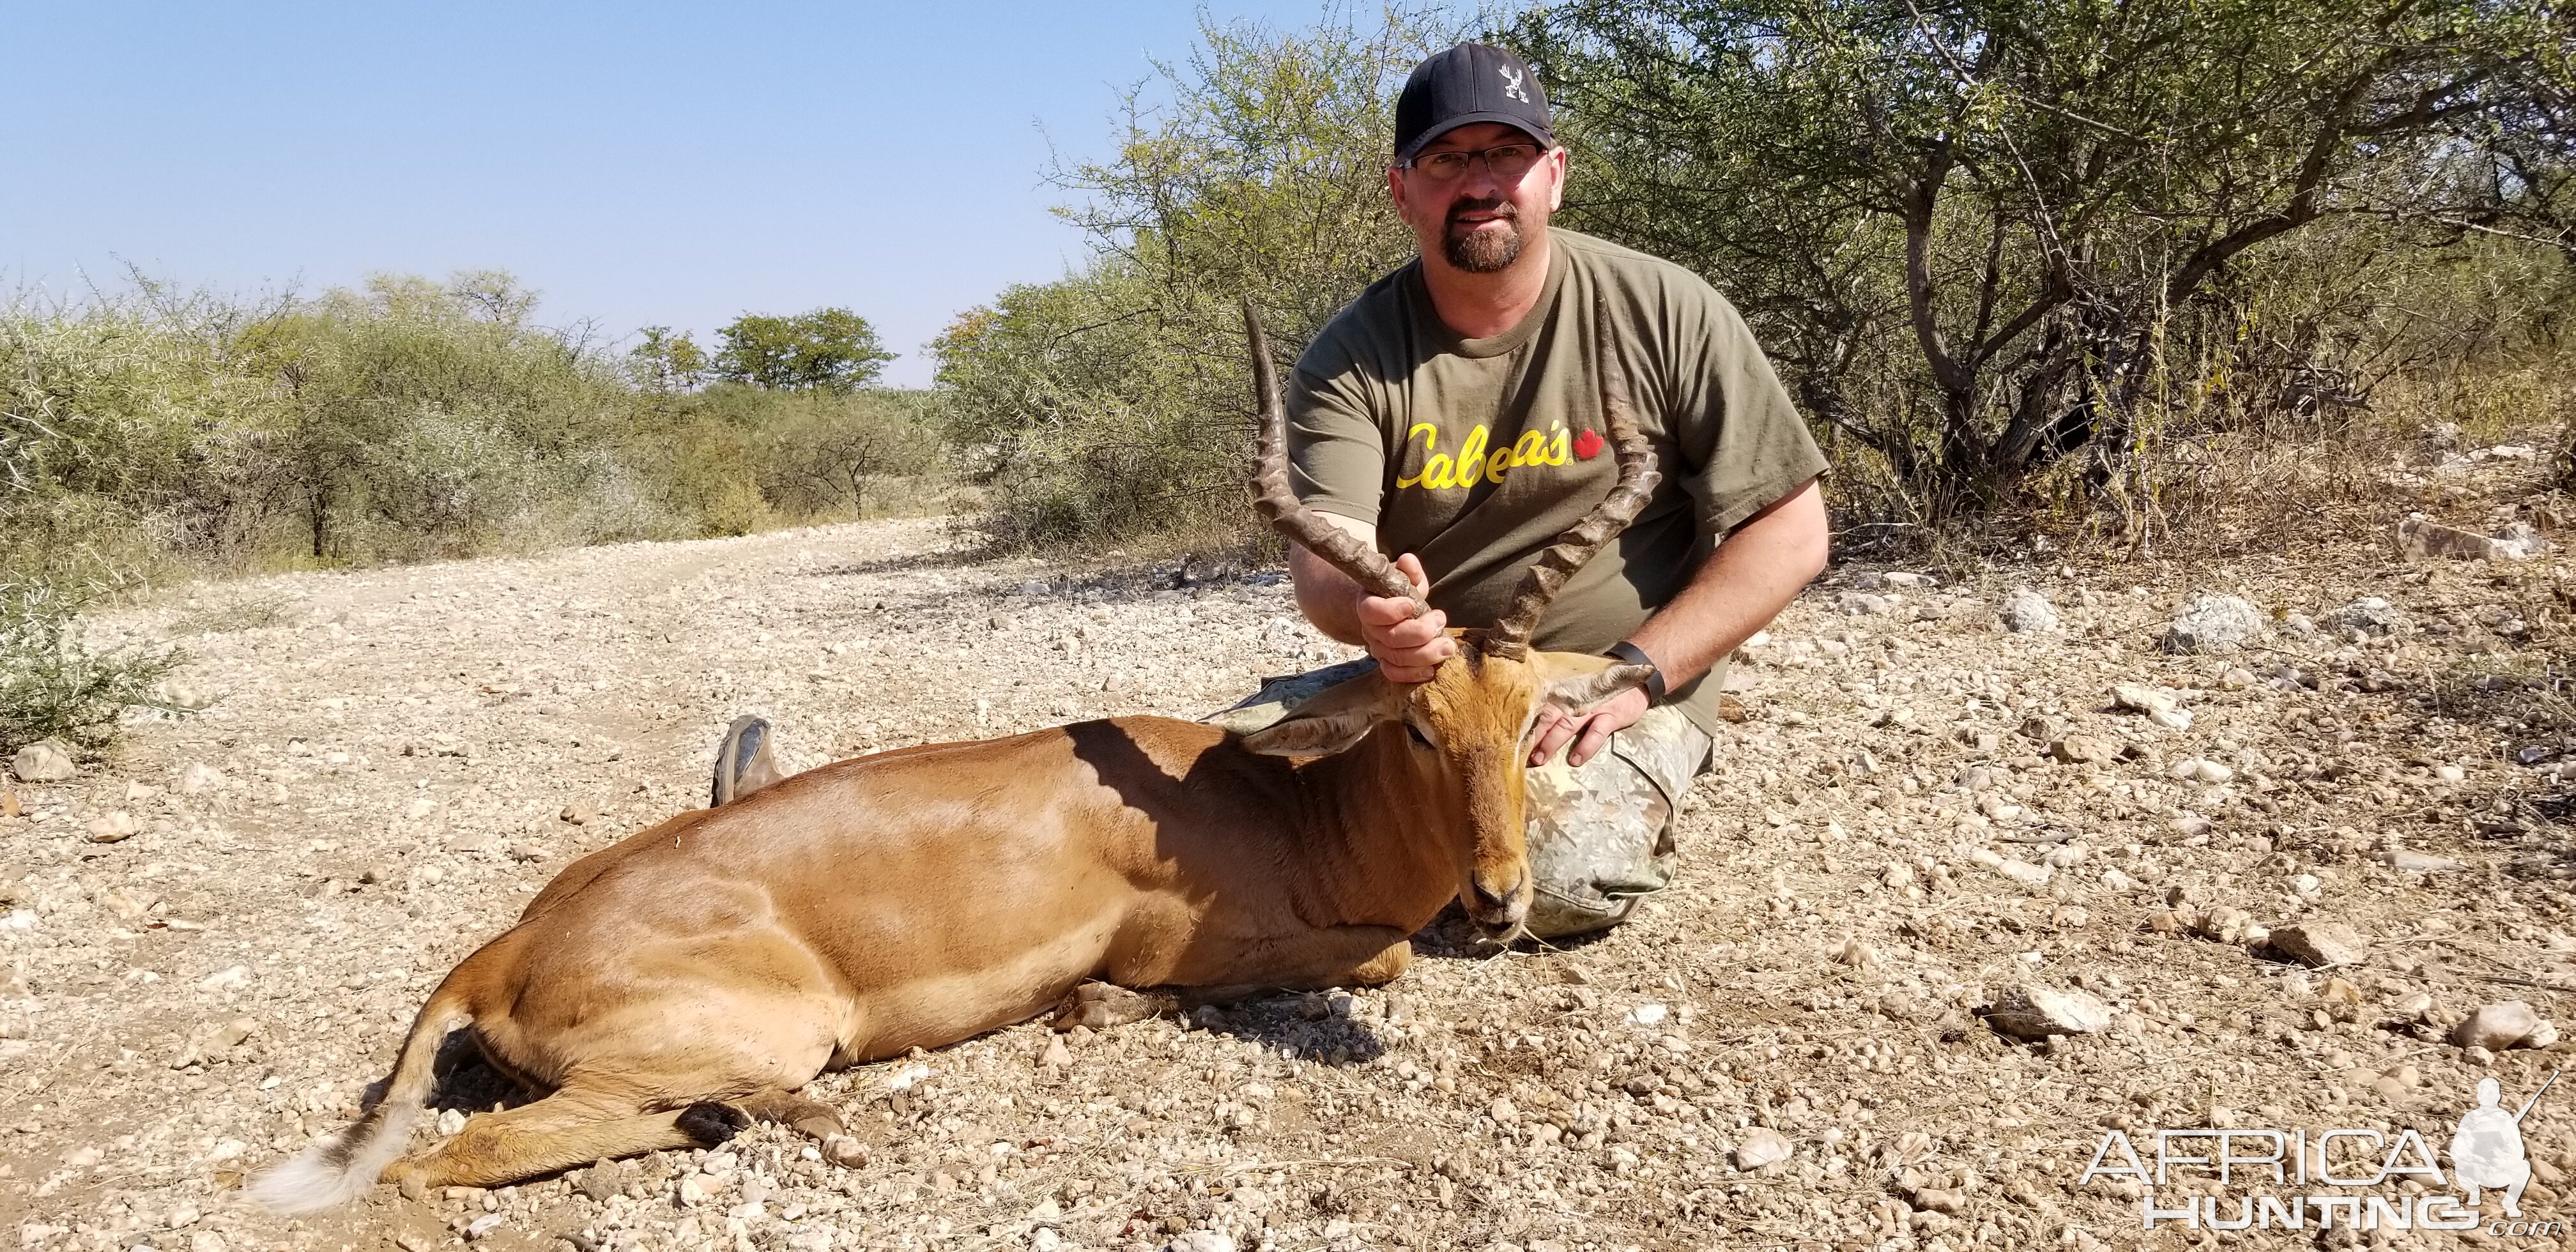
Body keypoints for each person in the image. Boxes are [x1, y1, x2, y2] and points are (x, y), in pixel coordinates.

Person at [1202, 42, 1829, 938]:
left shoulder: (1666, 308)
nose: (1483, 181)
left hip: (1598, 682)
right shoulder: (1351, 357)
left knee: (1559, 883)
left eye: (1509, 153)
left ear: (1554, 174)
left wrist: (1642, 675)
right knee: (1217, 787)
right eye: (1450, 158)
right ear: (1401, 189)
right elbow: (1325, 557)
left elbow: (1793, 533)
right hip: (1432, 686)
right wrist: (1373, 615)